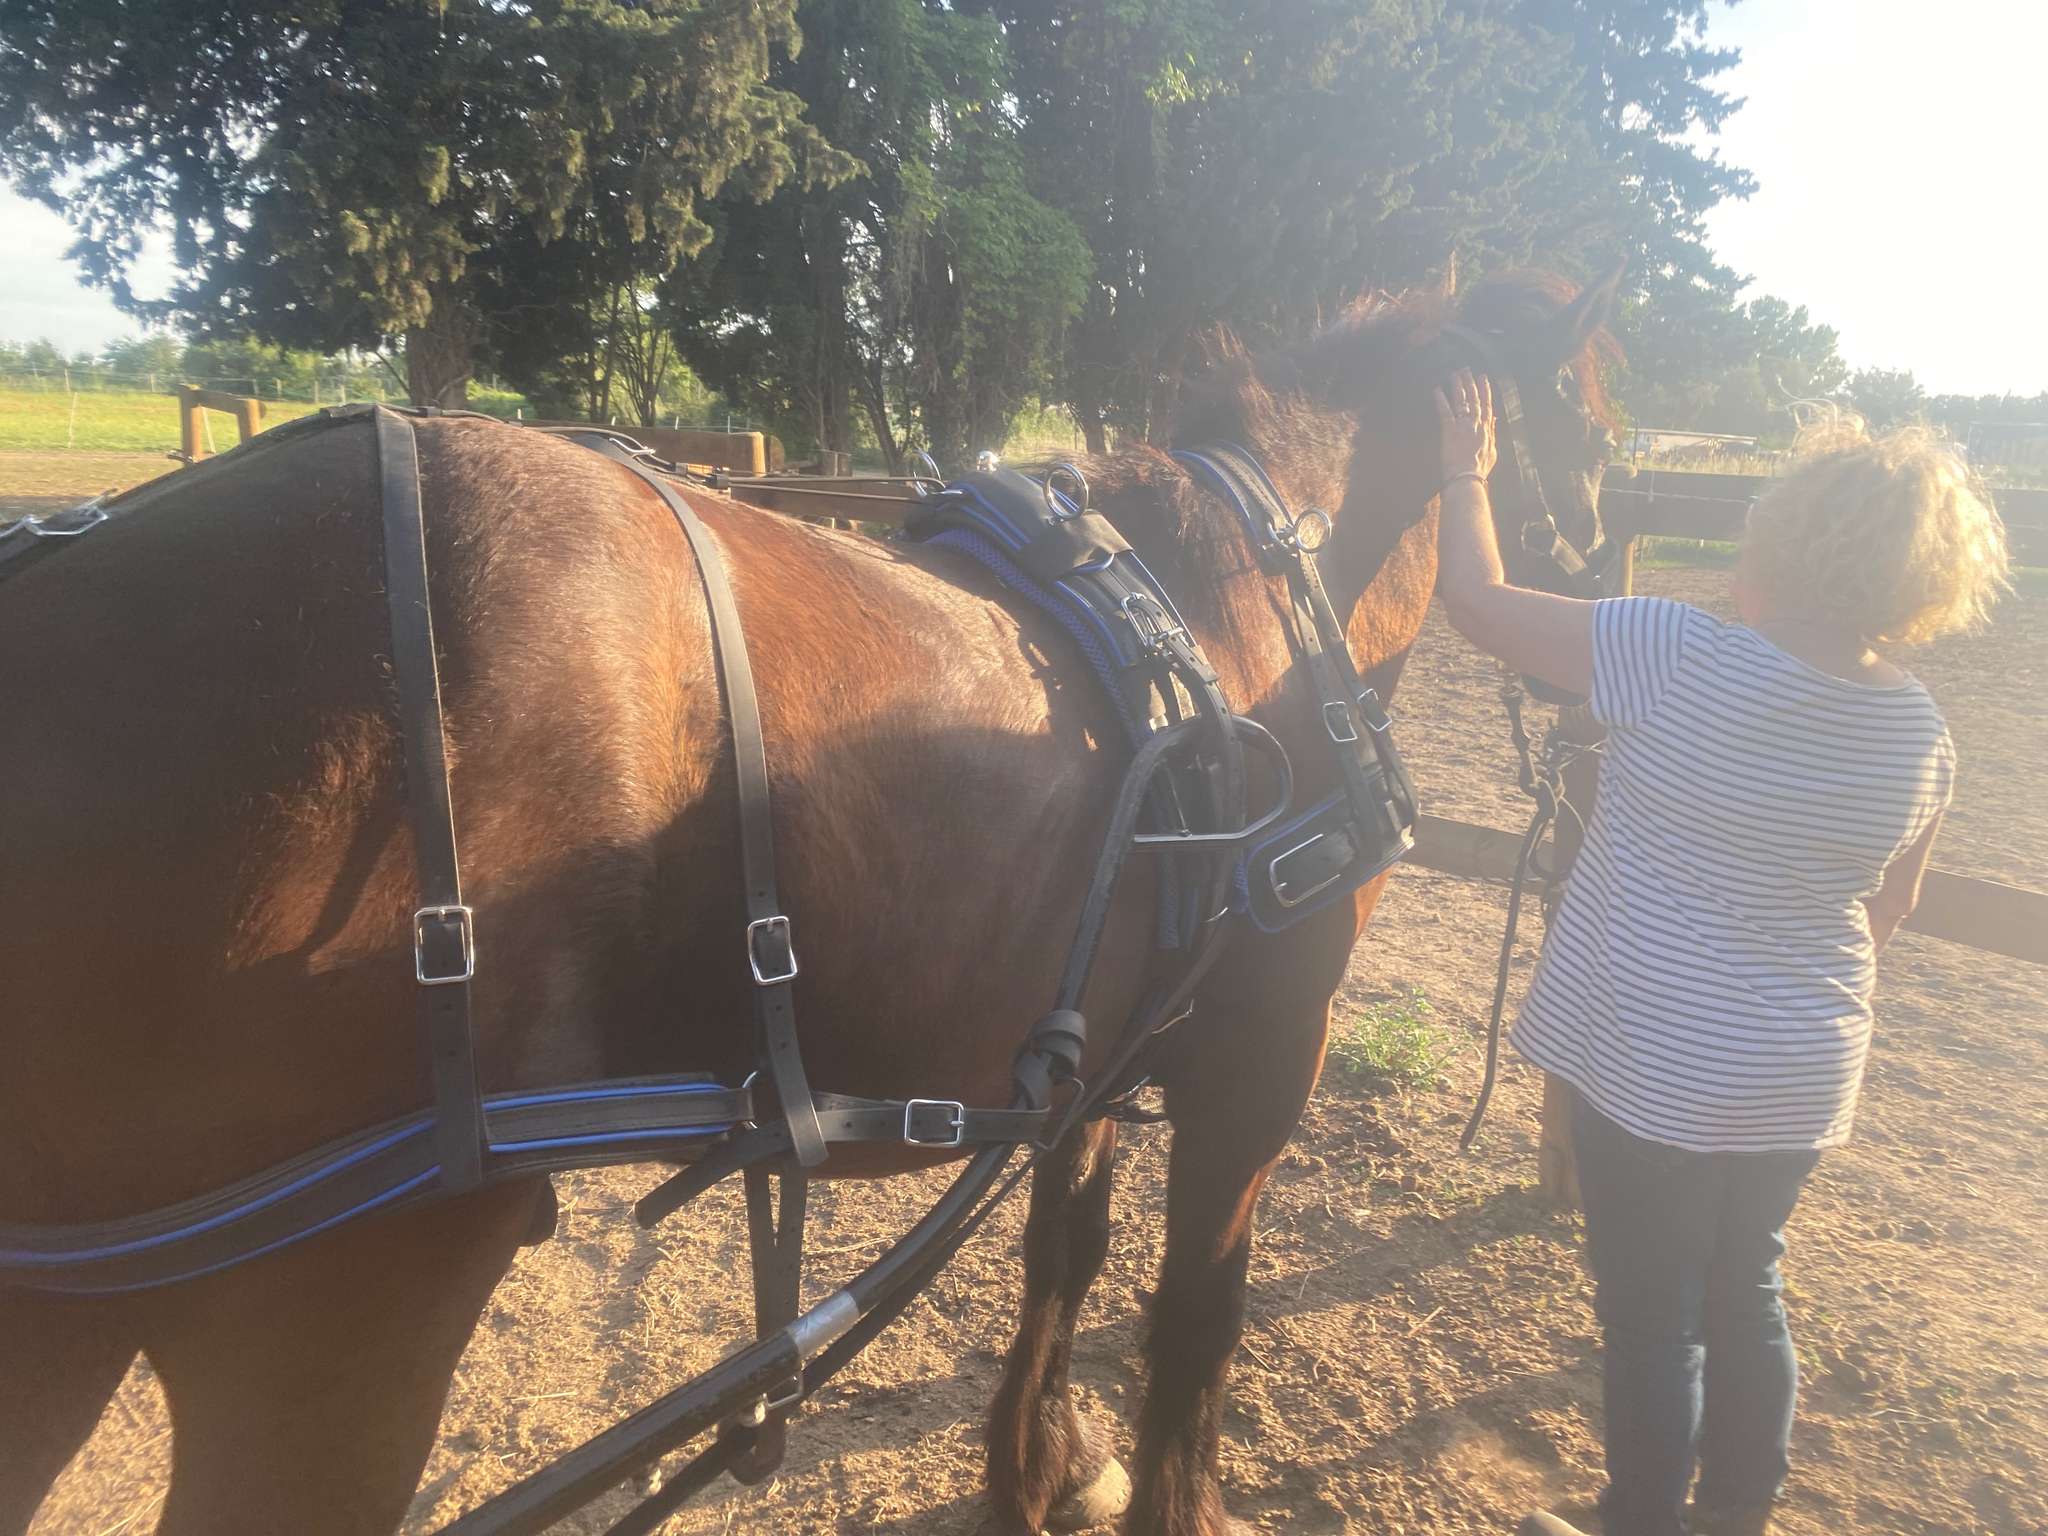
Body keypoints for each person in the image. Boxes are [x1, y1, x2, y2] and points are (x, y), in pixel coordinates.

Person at [1428, 369, 2009, 1536]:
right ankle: (1735, 1516)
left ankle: (1637, 1524)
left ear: (1778, 544)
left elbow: (1480, 607)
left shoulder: (1673, 650)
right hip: (1801, 1067)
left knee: (1651, 1319)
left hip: (1655, 1059)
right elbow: (1888, 907)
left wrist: (1462, 472)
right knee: (1747, 1286)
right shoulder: (1918, 729)